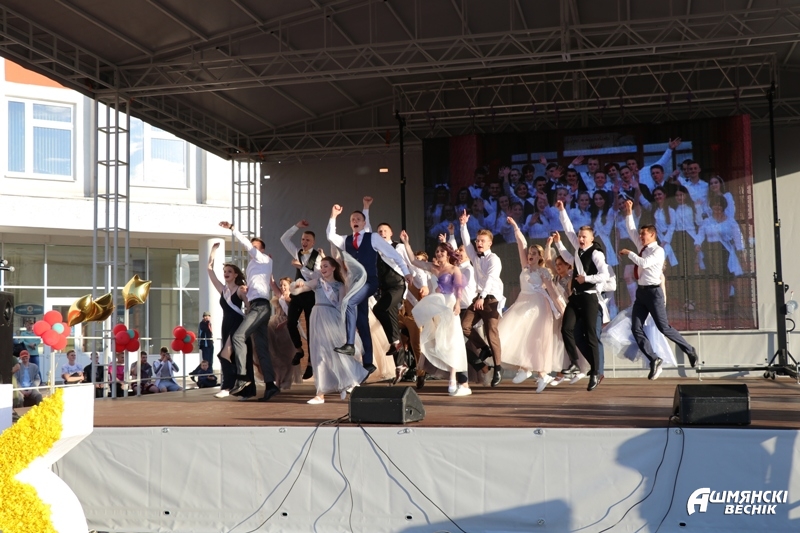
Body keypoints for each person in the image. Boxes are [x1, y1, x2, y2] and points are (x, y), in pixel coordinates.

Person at [326, 203, 413, 377]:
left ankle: (350, 344)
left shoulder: (373, 237)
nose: (355, 221)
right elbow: (330, 235)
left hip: (369, 282)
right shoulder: (346, 240)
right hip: (355, 283)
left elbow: (393, 254)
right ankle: (368, 362)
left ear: (364, 223)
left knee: (349, 302)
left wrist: (406, 272)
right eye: (352, 219)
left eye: (359, 219)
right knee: (362, 321)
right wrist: (333, 216)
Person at [619, 199, 699, 377]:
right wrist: (629, 211)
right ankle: (654, 358)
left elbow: (644, 263)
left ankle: (689, 349)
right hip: (642, 293)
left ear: (653, 235)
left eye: (644, 234)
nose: (641, 237)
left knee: (664, 327)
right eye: (641, 234)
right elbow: (631, 230)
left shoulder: (658, 251)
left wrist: (629, 253)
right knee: (636, 328)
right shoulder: (642, 247)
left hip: (654, 293)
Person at [400, 231, 470, 396]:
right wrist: (406, 243)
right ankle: (447, 375)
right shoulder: (433, 267)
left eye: (442, 251)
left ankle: (453, 378)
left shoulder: (454, 269)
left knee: (452, 340)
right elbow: (413, 261)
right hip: (437, 304)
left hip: (449, 304)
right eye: (437, 251)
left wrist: (458, 304)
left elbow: (459, 289)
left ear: (448, 254)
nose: (438, 254)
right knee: (440, 340)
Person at [291, 255, 368, 404]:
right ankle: (320, 394)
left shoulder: (340, 286)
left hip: (333, 320)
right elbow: (302, 288)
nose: (323, 269)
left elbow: (342, 307)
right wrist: (298, 285)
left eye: (326, 266)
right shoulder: (318, 282)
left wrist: (346, 327)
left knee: (337, 353)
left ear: (333, 268)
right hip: (318, 318)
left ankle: (347, 382)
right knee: (319, 354)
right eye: (321, 266)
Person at [218, 221, 280, 402]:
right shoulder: (255, 265)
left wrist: (233, 229)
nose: (252, 249)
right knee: (261, 349)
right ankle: (270, 385)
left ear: (262, 250)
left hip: (260, 306)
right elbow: (262, 284)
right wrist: (247, 290)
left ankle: (243, 377)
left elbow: (248, 246)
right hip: (257, 305)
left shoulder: (263, 259)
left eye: (256, 247)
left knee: (238, 336)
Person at [500, 218, 563, 392]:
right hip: (523, 303)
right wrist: (516, 227)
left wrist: (562, 309)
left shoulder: (543, 272)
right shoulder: (525, 268)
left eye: (534, 253)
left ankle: (533, 370)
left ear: (540, 257)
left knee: (535, 339)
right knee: (518, 334)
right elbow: (521, 244)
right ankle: (531, 370)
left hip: (538, 307)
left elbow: (553, 293)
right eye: (530, 253)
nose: (530, 255)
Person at [555, 201, 609, 391]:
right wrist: (562, 211)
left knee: (591, 335)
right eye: (579, 236)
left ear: (592, 238)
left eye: (584, 236)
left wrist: (586, 278)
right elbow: (569, 230)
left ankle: (596, 372)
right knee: (567, 329)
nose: (580, 239)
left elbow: (604, 275)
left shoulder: (596, 254)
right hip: (576, 296)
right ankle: (575, 363)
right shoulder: (578, 250)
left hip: (589, 297)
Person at [459, 209, 505, 387]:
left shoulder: (494, 259)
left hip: (492, 298)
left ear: (490, 243)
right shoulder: (475, 257)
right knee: (465, 326)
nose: (479, 243)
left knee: (491, 331)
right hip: (480, 297)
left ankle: (498, 369)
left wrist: (482, 297)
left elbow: (491, 279)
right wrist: (463, 225)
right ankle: (484, 348)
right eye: (477, 240)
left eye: (482, 241)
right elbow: (465, 242)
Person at [206, 242, 255, 399]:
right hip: (226, 324)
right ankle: (244, 390)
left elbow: (249, 307)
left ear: (235, 275)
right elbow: (209, 270)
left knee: (224, 354)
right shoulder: (223, 289)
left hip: (238, 323)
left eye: (229, 271)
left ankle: (227, 387)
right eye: (225, 271)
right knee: (233, 357)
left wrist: (249, 324)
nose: (226, 273)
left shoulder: (240, 289)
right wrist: (213, 251)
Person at [280, 219, 322, 380]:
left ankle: (311, 363)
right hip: (297, 294)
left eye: (308, 240)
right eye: (303, 239)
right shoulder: (297, 252)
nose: (304, 242)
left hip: (310, 294)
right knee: (291, 322)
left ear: (313, 242)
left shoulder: (317, 257)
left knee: (311, 330)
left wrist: (301, 268)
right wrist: (297, 226)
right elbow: (284, 239)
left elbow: (317, 277)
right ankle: (299, 349)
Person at [268, 276, 302, 390]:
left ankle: (286, 380)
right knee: (276, 354)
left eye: (285, 285)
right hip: (276, 324)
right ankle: (278, 379)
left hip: (287, 326)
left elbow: (294, 317)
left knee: (287, 356)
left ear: (290, 286)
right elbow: (272, 284)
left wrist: (283, 324)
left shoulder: (292, 298)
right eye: (281, 285)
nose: (282, 287)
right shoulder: (281, 296)